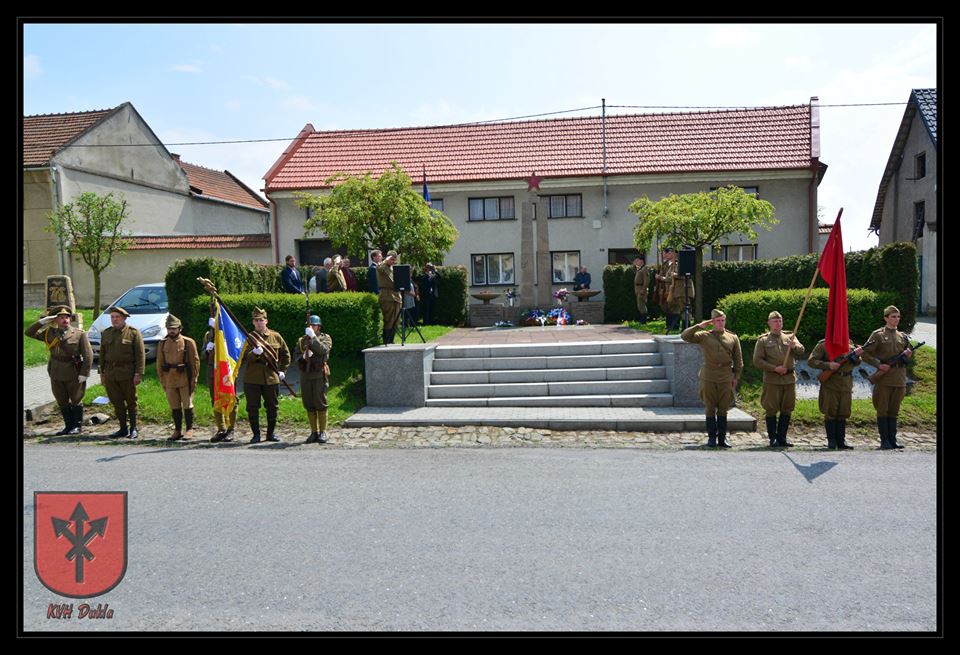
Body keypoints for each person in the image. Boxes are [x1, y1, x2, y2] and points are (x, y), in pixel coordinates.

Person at [24, 305, 93, 436]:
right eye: (61, 318)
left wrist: (85, 373)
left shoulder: (79, 334)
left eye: (67, 317)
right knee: (61, 399)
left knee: (76, 399)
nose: (65, 320)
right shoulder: (49, 333)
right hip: (55, 371)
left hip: (73, 371)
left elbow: (88, 355)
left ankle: (77, 427)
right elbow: (28, 333)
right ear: (55, 320)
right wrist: (42, 322)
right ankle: (68, 427)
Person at [681, 309, 743, 448]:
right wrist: (699, 326)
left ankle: (722, 438)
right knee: (710, 408)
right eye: (717, 320)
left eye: (722, 320)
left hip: (726, 375)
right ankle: (711, 438)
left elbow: (738, 360)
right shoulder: (704, 336)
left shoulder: (733, 337)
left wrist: (736, 376)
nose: (720, 323)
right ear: (712, 322)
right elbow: (684, 336)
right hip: (709, 375)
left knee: (723, 408)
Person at [858, 305, 913, 450]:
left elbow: (908, 359)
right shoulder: (878, 335)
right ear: (886, 318)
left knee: (894, 410)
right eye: (893, 317)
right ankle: (884, 441)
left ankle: (892, 440)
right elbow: (864, 353)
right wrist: (878, 365)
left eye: (898, 317)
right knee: (883, 409)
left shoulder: (903, 336)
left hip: (899, 378)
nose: (896, 320)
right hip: (884, 378)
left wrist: (908, 355)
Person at [753, 311, 805, 448]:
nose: (778, 323)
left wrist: (794, 346)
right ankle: (772, 438)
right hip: (772, 380)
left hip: (789, 379)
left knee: (787, 409)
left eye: (780, 321)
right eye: (775, 321)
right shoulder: (763, 340)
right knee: (771, 409)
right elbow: (757, 361)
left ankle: (782, 437)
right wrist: (774, 368)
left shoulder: (790, 337)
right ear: (769, 323)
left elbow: (801, 351)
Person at [240, 307, 291, 444]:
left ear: (266, 321)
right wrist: (254, 354)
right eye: (256, 321)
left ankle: (270, 434)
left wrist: (282, 371)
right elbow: (244, 357)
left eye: (261, 320)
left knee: (272, 407)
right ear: (253, 322)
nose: (258, 323)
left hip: (271, 377)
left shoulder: (276, 336)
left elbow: (286, 355)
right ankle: (256, 435)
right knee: (252, 407)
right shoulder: (249, 338)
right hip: (252, 378)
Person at [99, 306, 145, 439]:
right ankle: (123, 428)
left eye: (117, 317)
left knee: (131, 401)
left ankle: (134, 428)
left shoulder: (133, 333)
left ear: (124, 318)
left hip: (127, 373)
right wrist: (102, 373)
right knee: (117, 402)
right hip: (111, 373)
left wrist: (138, 373)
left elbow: (140, 355)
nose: (114, 320)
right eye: (112, 317)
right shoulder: (106, 333)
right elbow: (102, 355)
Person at [807, 337, 859, 450]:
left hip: (846, 382)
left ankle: (841, 441)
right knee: (831, 411)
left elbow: (857, 363)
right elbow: (811, 361)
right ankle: (831, 440)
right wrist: (828, 365)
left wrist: (858, 355)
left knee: (843, 412)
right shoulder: (823, 344)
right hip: (831, 382)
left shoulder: (849, 344)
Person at [157, 315, 200, 441]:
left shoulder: (188, 342)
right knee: (174, 405)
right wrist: (162, 378)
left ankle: (189, 429)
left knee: (187, 404)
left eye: (174, 328)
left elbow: (195, 362)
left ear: (180, 329)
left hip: (184, 378)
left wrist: (194, 378)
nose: (171, 331)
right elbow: (159, 362)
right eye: (169, 328)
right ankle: (177, 430)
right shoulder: (162, 343)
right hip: (169, 378)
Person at [295, 315, 333, 444]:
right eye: (309, 325)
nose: (311, 327)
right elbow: (296, 356)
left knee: (320, 402)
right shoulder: (301, 340)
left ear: (319, 326)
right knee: (309, 403)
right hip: (306, 374)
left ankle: (323, 431)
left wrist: (313, 338)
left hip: (319, 374)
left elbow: (323, 350)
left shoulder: (325, 338)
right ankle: (313, 432)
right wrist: (303, 356)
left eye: (314, 325)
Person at [203, 324, 237, 442]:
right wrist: (208, 350)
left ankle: (231, 429)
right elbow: (203, 356)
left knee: (231, 398)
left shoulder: (229, 334)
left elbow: (235, 352)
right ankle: (221, 429)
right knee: (215, 399)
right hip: (213, 372)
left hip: (227, 371)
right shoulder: (208, 336)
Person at [377, 250, 403, 345]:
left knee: (396, 320)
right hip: (387, 296)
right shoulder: (382, 266)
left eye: (394, 259)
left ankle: (391, 340)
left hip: (396, 296)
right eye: (391, 258)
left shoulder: (392, 268)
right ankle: (386, 341)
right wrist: (385, 260)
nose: (393, 261)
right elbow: (379, 268)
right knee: (388, 320)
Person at [633, 256, 649, 324]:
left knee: (642, 305)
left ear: (642, 261)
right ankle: (641, 320)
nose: (636, 262)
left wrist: (643, 289)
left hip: (641, 288)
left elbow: (646, 280)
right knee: (639, 305)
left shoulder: (644, 269)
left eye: (638, 260)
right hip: (638, 288)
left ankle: (643, 321)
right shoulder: (639, 269)